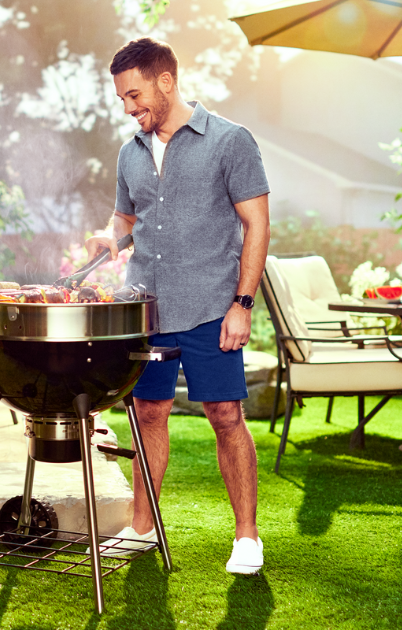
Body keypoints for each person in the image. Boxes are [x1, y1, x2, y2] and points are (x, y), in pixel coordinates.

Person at [87, 38, 270, 575]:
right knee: (147, 413)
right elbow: (127, 219)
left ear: (166, 81)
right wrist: (110, 239)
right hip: (147, 309)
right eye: (122, 98)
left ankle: (247, 538)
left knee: (226, 415)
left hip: (213, 304)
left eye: (135, 94)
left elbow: (256, 224)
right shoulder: (130, 152)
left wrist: (243, 303)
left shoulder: (230, 141)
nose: (128, 107)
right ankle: (143, 528)